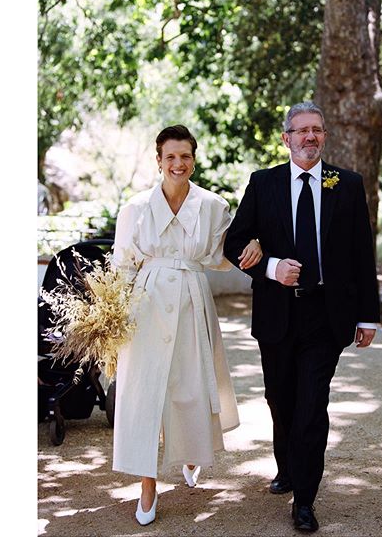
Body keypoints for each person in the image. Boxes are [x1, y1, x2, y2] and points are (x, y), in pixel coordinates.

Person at [223, 102, 380, 532]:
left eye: (317, 130)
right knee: (281, 399)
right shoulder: (263, 183)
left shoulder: (347, 185)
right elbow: (233, 240)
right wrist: (270, 267)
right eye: (302, 130)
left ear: (324, 137)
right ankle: (288, 467)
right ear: (286, 138)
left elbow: (362, 254)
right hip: (276, 311)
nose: (310, 137)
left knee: (312, 405)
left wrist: (368, 316)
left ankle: (305, 500)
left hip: (326, 315)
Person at [111, 125, 263, 526]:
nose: (179, 164)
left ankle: (192, 451)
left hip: (193, 301)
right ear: (158, 160)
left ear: (194, 159)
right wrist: (112, 324)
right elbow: (120, 267)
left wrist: (256, 244)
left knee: (191, 387)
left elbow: (227, 251)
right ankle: (147, 484)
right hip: (146, 304)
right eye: (170, 157)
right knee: (145, 396)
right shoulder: (135, 208)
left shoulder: (213, 205)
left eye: (185, 156)